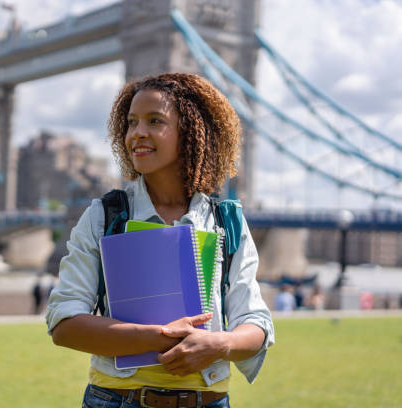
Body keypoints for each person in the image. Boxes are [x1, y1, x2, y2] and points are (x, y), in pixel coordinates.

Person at [46, 73, 274, 408]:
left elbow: (256, 325)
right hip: (116, 400)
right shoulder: (104, 217)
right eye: (132, 122)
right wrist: (159, 336)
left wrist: (219, 345)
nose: (137, 133)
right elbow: (64, 323)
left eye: (155, 121)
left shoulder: (227, 222)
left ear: (193, 131)